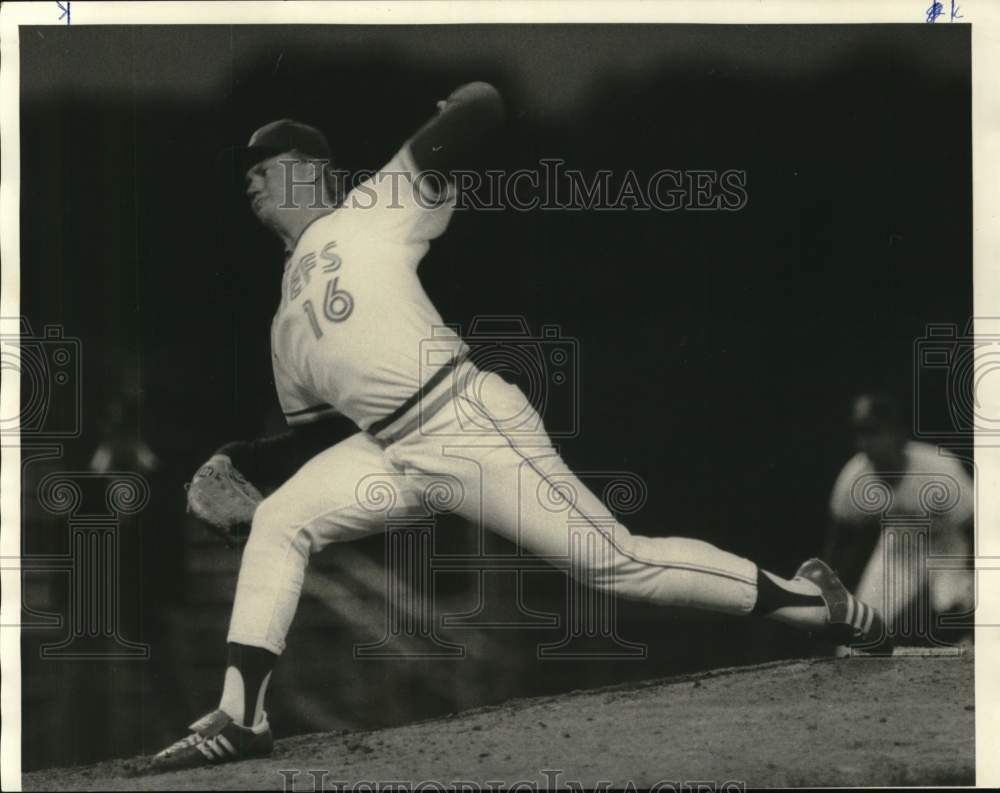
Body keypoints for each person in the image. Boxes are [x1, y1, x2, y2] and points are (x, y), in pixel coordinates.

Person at [151, 82, 885, 770]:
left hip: (467, 423)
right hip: (394, 450)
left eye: (263, 162)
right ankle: (242, 715)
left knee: (618, 563)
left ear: (312, 169)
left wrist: (456, 110)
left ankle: (813, 602)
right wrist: (241, 459)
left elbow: (482, 105)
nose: (247, 176)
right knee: (283, 516)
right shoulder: (284, 322)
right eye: (242, 169)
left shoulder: (371, 206)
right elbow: (315, 441)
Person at [824, 393, 974, 646]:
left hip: (948, 548)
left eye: (873, 432)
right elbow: (840, 544)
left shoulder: (940, 471)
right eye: (860, 434)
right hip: (899, 546)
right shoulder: (855, 478)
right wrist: (829, 594)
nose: (865, 443)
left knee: (956, 620)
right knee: (859, 631)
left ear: (898, 433)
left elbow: (977, 530)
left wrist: (971, 583)